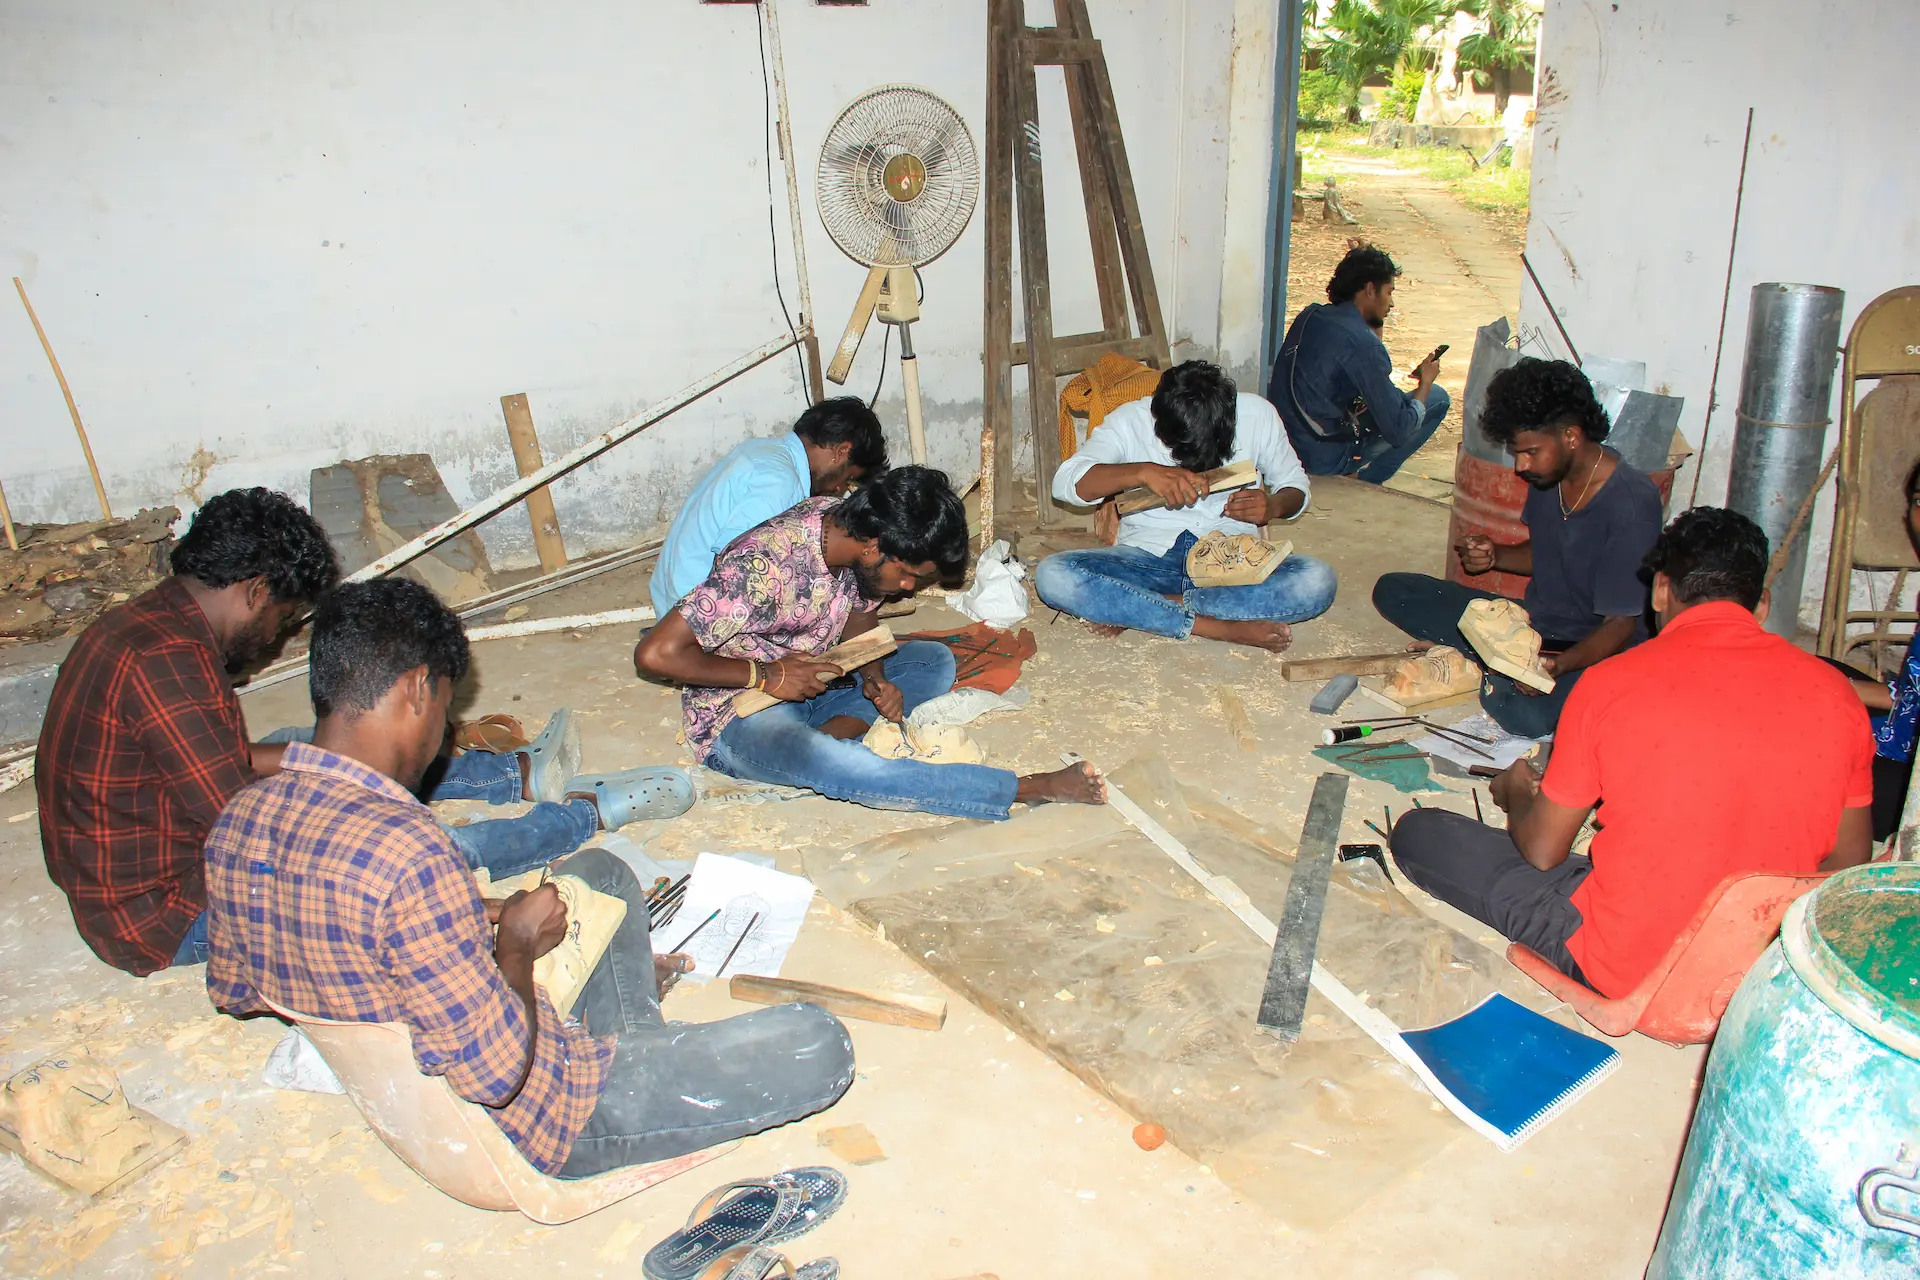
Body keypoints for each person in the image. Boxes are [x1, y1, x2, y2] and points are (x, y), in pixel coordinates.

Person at [204, 578, 854, 1176]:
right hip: (546, 1114)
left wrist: (458, 921)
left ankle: (638, 1041)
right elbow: (497, 1078)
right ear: (417, 690)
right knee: (816, 1040)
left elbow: (235, 990)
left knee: (600, 873)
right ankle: (638, 1065)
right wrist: (513, 948)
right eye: (444, 710)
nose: (443, 736)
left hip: (423, 1050)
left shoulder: (240, 818)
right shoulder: (410, 852)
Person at [36, 487, 679, 977]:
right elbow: (251, 840)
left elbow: (225, 764)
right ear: (257, 592)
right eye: (284, 616)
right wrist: (435, 896)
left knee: (342, 734)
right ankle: (578, 817)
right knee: (392, 859)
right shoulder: (169, 665)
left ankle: (515, 773)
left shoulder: (151, 626)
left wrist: (328, 766)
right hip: (167, 912)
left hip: (159, 852)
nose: (276, 638)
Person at [1389, 508, 1874, 998]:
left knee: (1422, 832)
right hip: (1761, 975)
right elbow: (1848, 863)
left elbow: (1542, 852)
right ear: (1762, 605)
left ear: (1660, 590)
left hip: (1630, 970)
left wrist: (1515, 794)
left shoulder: (1611, 682)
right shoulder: (1838, 692)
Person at [635, 466, 1106, 819]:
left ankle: (825, 737)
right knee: (847, 769)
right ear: (875, 546)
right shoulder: (761, 565)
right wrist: (767, 675)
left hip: (810, 676)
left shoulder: (846, 527)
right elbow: (654, 654)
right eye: (907, 574)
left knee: (933, 662)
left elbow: (860, 608)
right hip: (739, 710)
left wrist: (874, 677)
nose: (908, 588)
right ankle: (1022, 789)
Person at [1371, 358, 1663, 738]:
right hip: (1534, 625)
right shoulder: (1550, 476)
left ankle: (1488, 662)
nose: (1521, 466)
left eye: (1530, 452)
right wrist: (1495, 555)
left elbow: (1620, 624)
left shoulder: (1632, 503)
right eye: (1517, 453)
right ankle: (1493, 660)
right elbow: (1548, 553)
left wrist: (1555, 667)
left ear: (1571, 437)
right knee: (1395, 590)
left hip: (1594, 646)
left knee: (1522, 715)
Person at [1032, 359, 1337, 653]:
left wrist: (1273, 505)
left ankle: (1147, 605)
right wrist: (1142, 472)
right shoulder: (1129, 421)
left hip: (1233, 564)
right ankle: (1217, 627)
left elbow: (1295, 484)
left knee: (1316, 580)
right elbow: (1066, 483)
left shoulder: (1257, 414)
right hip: (1148, 559)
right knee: (1054, 575)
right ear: (1160, 425)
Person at [650, 396, 890, 617]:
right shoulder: (781, 482)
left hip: (671, 595)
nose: (838, 488)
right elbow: (737, 572)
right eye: (848, 478)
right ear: (842, 452)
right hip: (693, 614)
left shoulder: (759, 449)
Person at [1267, 244, 1449, 485]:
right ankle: (1367, 481)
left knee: (1388, 402)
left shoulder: (1311, 316)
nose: (1392, 303)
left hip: (1285, 445)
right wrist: (1425, 382)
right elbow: (1398, 429)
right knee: (1436, 398)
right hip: (1321, 457)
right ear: (1370, 290)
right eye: (1389, 292)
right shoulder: (1363, 345)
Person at [1831, 457, 1920, 840]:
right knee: (1811, 671)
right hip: (1902, 731)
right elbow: (1912, 697)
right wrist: (1839, 687)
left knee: (1802, 756)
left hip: (1909, 781)